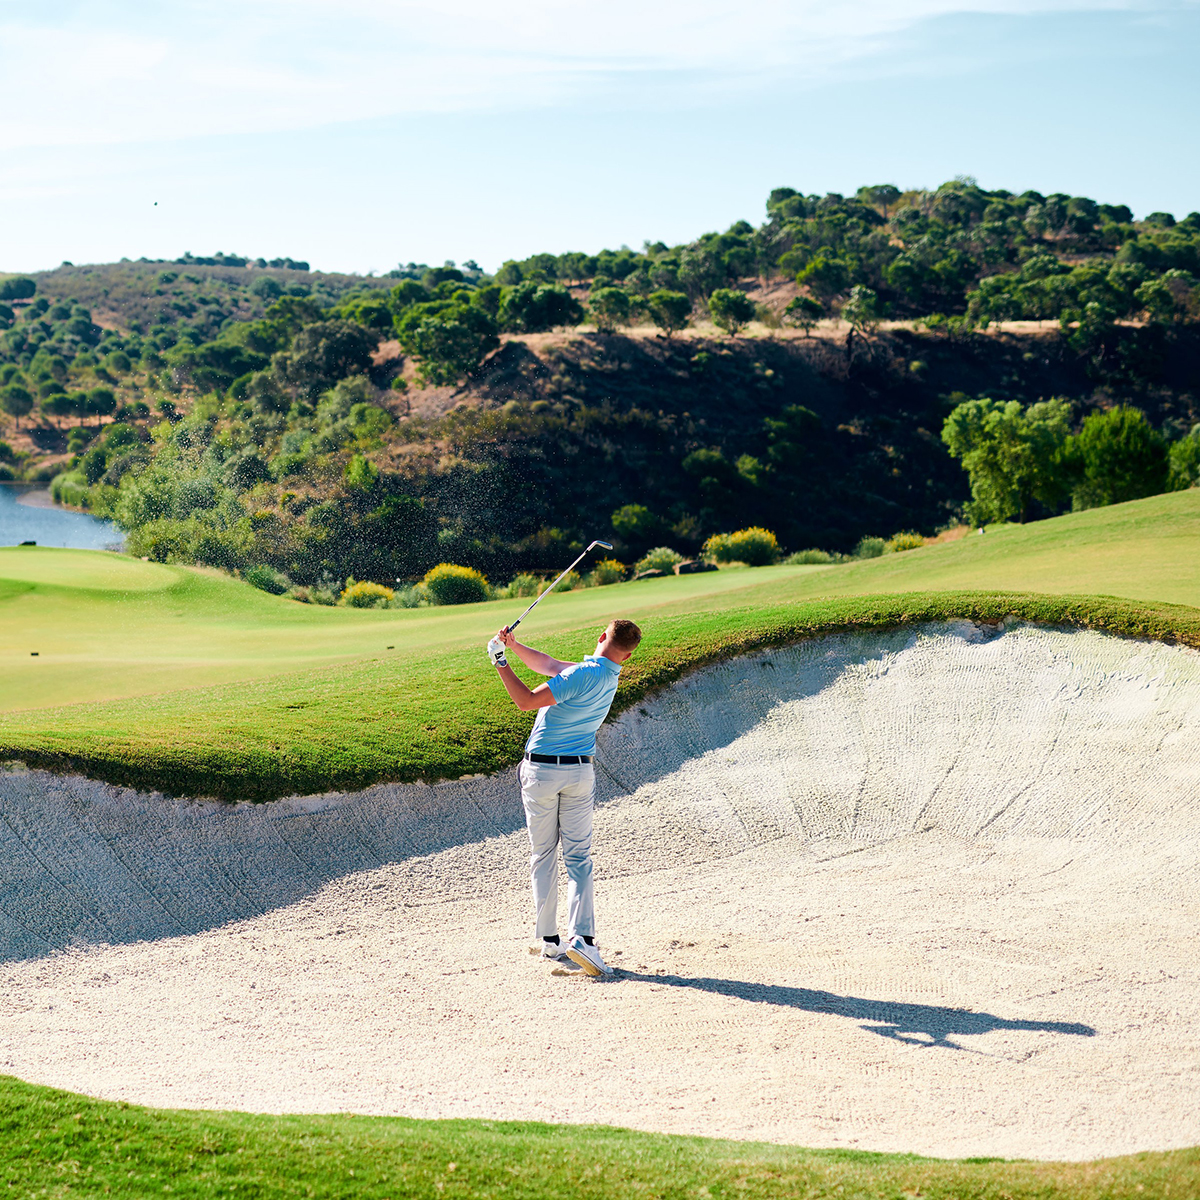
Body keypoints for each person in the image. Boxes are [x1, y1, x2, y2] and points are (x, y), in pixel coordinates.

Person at [486, 618, 642, 976]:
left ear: (601, 636)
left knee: (543, 854)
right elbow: (549, 664)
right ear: (628, 655)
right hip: (579, 774)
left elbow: (526, 701)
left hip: (542, 772)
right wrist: (513, 645)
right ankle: (582, 938)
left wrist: (500, 663)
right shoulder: (606, 675)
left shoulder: (580, 676)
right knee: (579, 858)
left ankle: (553, 940)